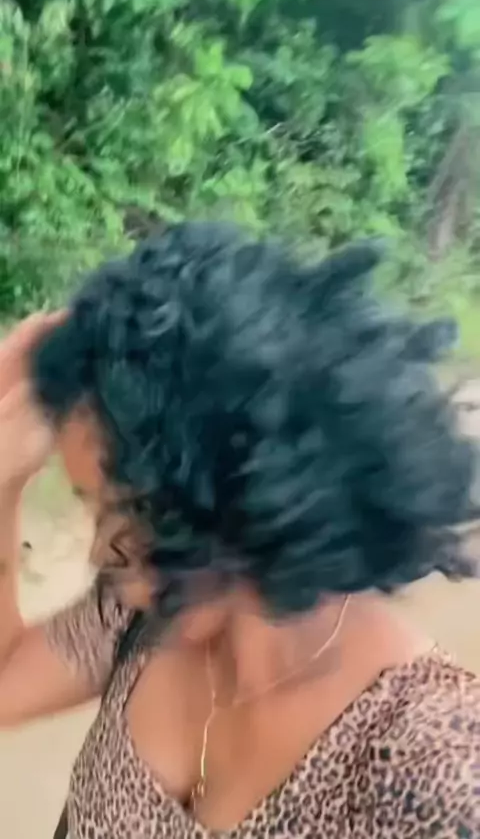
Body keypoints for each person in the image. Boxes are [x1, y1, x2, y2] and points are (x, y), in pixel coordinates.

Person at [0, 223, 478, 839]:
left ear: (247, 492)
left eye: (126, 516)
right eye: (93, 508)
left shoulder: (432, 769)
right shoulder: (145, 612)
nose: (101, 551)